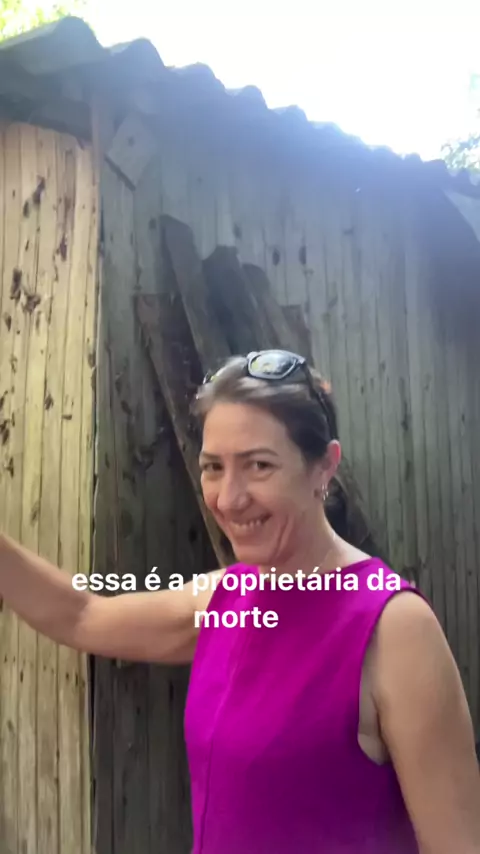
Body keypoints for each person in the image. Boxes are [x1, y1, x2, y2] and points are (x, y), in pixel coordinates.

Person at [0, 348, 479, 854]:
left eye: (259, 465)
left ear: (324, 467)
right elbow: (81, 615)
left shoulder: (393, 627)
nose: (229, 498)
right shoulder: (224, 597)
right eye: (213, 467)